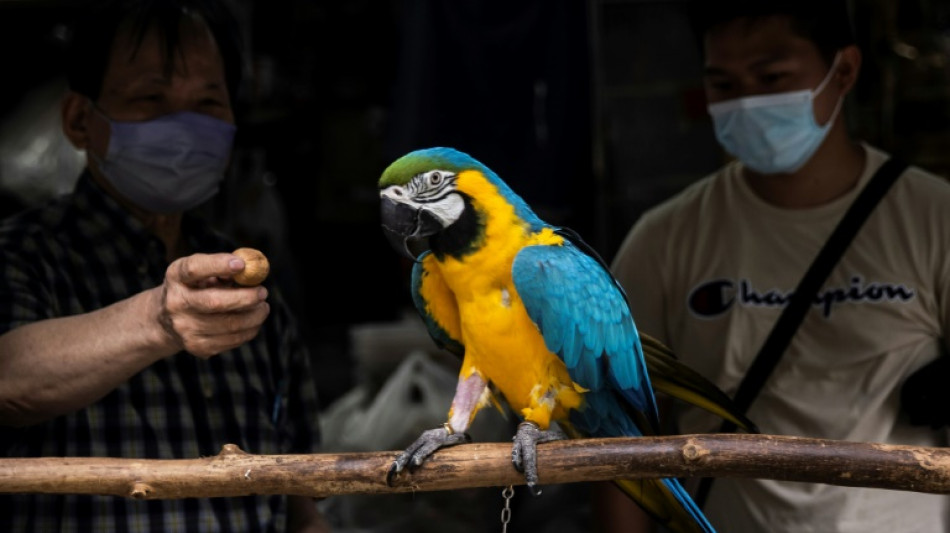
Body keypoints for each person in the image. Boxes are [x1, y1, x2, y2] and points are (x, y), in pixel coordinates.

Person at [605, 1, 950, 532]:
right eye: (724, 85)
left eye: (772, 78)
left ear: (845, 71)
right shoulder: (664, 240)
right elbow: (617, 435)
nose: (747, 102)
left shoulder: (933, 219)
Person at [0, 1, 330, 531]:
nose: (184, 126)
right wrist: (159, 318)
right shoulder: (21, 256)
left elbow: (300, 500)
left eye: (207, 102)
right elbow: (9, 379)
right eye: (151, 98)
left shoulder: (253, 293)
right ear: (81, 120)